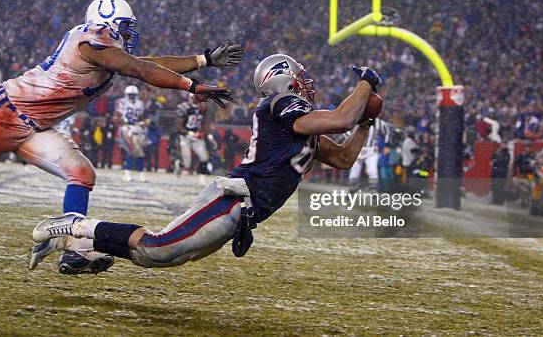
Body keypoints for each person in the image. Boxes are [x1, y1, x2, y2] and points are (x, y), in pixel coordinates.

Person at [0, 0, 240, 275]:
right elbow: (141, 70)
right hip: (1, 114)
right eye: (123, 26)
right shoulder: (89, 39)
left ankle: (73, 249)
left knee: (81, 172)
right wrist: (192, 86)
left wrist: (203, 60)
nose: (128, 33)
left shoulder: (106, 49)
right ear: (104, 22)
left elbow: (147, 63)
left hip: (32, 127)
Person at [28, 54, 383, 270]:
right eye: (300, 78)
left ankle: (83, 244)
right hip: (232, 200)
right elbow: (340, 119)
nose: (306, 84)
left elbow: (342, 157)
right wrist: (366, 83)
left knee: (156, 256)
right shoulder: (280, 105)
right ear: (285, 81)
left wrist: (365, 121)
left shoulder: (300, 126)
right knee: (158, 246)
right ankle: (73, 226)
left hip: (243, 211)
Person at [347, 117, 391, 190]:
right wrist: (352, 141)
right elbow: (346, 131)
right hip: (357, 150)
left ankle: (374, 191)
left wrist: (387, 145)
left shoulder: (378, 122)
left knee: (372, 170)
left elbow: (387, 131)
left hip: (371, 150)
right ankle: (352, 189)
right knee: (354, 171)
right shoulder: (356, 119)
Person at [177, 94, 211, 185]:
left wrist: (208, 134)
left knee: (204, 157)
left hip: (196, 136)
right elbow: (179, 126)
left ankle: (202, 178)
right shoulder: (184, 107)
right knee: (187, 163)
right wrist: (189, 133)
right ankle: (180, 165)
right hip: (185, 137)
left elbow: (204, 123)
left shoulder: (202, 108)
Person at [116, 85, 147, 182]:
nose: (132, 96)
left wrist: (142, 123)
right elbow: (117, 116)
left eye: (134, 95)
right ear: (126, 94)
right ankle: (127, 173)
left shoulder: (140, 103)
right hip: (126, 127)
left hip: (136, 127)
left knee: (140, 151)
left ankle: (140, 173)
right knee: (131, 150)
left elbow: (141, 116)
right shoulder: (121, 102)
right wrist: (123, 123)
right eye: (130, 95)